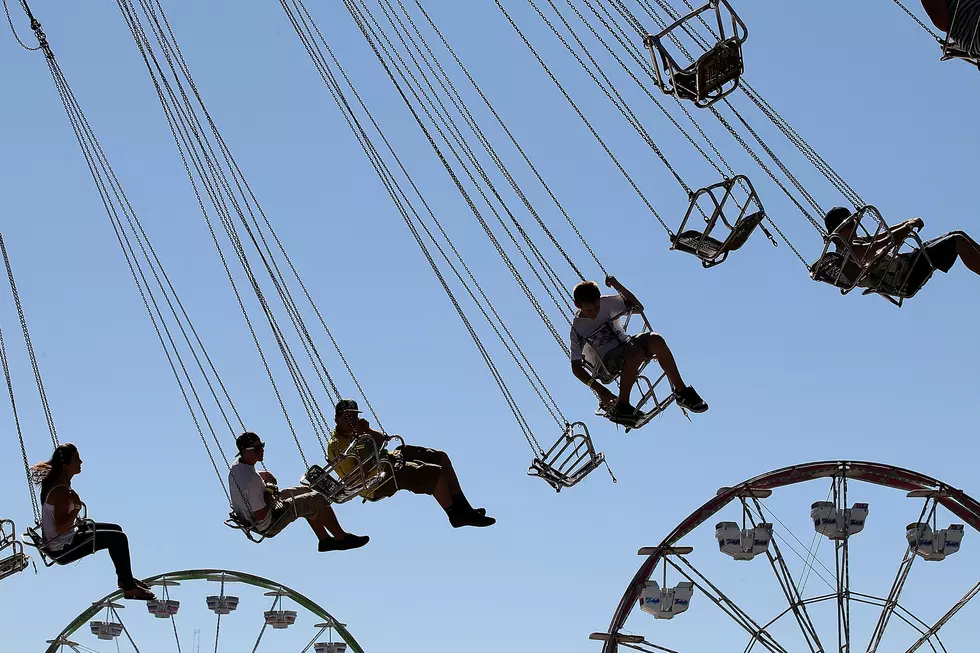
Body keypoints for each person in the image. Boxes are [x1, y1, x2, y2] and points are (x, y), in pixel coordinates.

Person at [329, 399, 495, 528]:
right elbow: (358, 477)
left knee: (440, 458)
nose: (352, 420)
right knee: (433, 473)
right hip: (376, 482)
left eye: (354, 415)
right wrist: (360, 441)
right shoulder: (337, 445)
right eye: (347, 416)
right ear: (337, 418)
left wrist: (368, 431)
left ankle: (465, 509)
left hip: (387, 461)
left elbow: (381, 441)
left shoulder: (357, 430)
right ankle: (455, 515)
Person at [569, 276, 707, 426]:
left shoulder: (606, 303)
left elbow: (638, 307)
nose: (595, 311)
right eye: (589, 309)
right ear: (577, 305)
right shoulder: (577, 329)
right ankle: (622, 405)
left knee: (656, 339)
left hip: (627, 344)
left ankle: (681, 391)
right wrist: (601, 390)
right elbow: (576, 368)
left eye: (597, 307)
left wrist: (617, 285)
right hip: (607, 361)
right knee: (634, 352)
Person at [30, 443, 156, 600]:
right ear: (66, 464)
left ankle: (124, 579)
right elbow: (61, 528)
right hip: (63, 546)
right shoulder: (60, 491)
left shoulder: (61, 486)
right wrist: (76, 507)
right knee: (118, 539)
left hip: (65, 538)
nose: (81, 462)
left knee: (116, 529)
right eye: (77, 459)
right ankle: (129, 588)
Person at [228, 432, 369, 551]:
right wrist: (269, 490)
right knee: (318, 499)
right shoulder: (252, 481)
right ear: (245, 451)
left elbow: (250, 483)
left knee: (308, 491)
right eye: (257, 448)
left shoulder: (237, 466)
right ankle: (342, 538)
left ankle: (324, 540)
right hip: (267, 522)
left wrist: (264, 476)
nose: (262, 450)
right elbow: (261, 514)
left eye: (262, 446)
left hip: (254, 511)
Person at [823, 207, 980, 294]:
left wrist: (906, 223)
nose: (854, 227)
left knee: (957, 234)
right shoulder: (848, 253)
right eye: (850, 225)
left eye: (854, 223)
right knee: (957, 241)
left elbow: (883, 235)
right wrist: (907, 227)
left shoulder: (856, 241)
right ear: (838, 231)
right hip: (906, 275)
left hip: (908, 263)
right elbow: (880, 244)